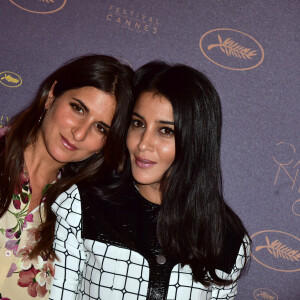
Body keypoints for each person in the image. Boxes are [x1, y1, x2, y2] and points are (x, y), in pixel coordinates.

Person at [50, 61, 251, 300]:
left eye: (166, 131)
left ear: (196, 141)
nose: (142, 143)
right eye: (138, 124)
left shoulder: (228, 240)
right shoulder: (82, 205)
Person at [0, 54, 133, 299]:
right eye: (78, 108)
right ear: (52, 95)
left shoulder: (78, 217)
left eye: (100, 127)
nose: (80, 133)